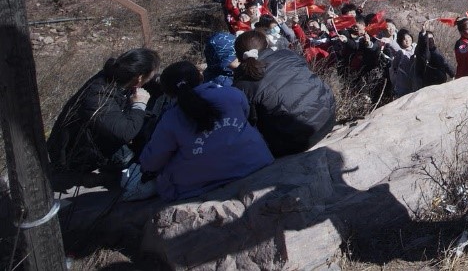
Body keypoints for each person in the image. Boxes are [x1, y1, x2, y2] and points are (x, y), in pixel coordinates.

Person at [139, 61, 273, 201]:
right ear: (201, 77)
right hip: (256, 162)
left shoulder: (171, 119)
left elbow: (151, 162)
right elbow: (245, 115)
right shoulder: (233, 94)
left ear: (168, 92)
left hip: (198, 185)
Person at [47, 49, 161, 200]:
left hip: (93, 138)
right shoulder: (98, 96)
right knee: (137, 161)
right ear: (139, 78)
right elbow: (125, 132)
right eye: (151, 74)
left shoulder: (114, 77)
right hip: (75, 156)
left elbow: (151, 83)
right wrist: (139, 104)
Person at [233, 30, 337, 157]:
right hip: (328, 117)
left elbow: (251, 121)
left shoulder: (241, 84)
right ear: (267, 44)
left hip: (294, 143)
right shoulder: (287, 53)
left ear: (238, 56)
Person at [382, 29, 419, 98]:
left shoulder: (417, 48)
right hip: (404, 86)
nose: (407, 40)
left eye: (408, 37)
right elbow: (394, 66)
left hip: (417, 83)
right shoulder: (400, 53)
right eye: (404, 39)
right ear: (400, 41)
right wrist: (390, 42)